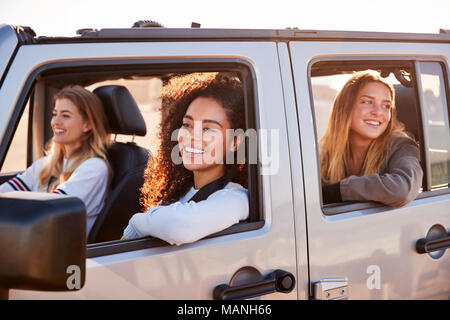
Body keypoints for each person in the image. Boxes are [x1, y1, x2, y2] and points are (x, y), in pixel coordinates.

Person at [122, 72, 249, 245]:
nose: (192, 136)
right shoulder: (180, 189)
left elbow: (178, 227)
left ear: (234, 142)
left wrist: (136, 223)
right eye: (187, 125)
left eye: (208, 129)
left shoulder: (236, 199)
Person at [0, 85, 111, 235]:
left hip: (61, 254)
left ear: (88, 125)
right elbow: (4, 193)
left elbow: (49, 210)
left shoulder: (95, 168)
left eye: (65, 116)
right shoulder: (45, 164)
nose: (55, 122)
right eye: (54, 114)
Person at [320, 70, 423, 207]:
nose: (378, 112)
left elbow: (403, 189)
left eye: (386, 106)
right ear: (345, 107)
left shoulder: (402, 146)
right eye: (367, 102)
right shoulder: (327, 149)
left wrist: (340, 190)